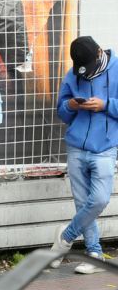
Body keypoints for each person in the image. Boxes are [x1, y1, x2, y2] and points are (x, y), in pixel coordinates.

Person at [51, 36, 118, 273]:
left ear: (99, 53)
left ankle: (65, 237)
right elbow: (62, 112)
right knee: (82, 203)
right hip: (76, 147)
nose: (85, 74)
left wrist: (105, 105)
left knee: (98, 200)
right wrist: (70, 106)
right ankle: (94, 253)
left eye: (88, 67)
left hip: (105, 148)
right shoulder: (73, 74)